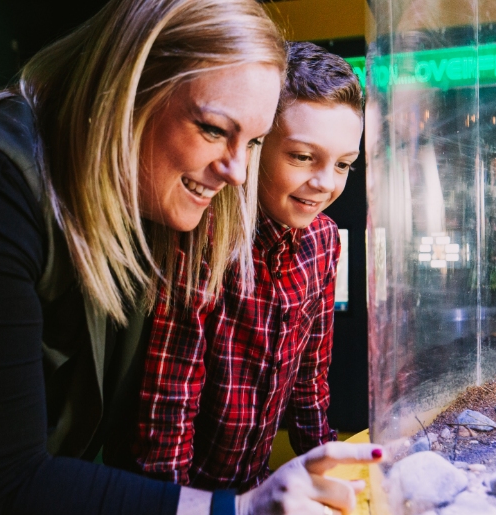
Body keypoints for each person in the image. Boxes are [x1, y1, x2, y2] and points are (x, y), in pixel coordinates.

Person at [0, 1, 381, 514]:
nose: (239, 173)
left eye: (255, 142)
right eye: (213, 129)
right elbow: (1, 480)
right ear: (127, 87)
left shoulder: (156, 203)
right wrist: (236, 508)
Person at [122, 42, 365, 492]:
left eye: (344, 164)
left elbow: (311, 377)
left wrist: (331, 470)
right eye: (302, 156)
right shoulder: (203, 233)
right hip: (182, 493)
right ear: (255, 144)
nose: (326, 183)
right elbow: (169, 404)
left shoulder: (324, 240)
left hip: (254, 486)